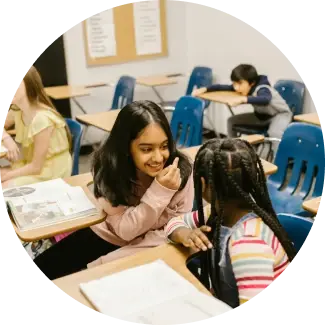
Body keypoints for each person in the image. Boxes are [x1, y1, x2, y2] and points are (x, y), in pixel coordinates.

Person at [32, 100, 194, 280]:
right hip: (109, 235)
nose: (158, 157)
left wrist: (111, 261)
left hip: (151, 244)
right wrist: (160, 191)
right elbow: (126, 231)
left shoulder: (181, 171)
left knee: (92, 281)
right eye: (147, 149)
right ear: (126, 147)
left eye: (164, 146)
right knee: (41, 268)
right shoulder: (110, 169)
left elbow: (176, 227)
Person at [165, 138, 295, 308]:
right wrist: (184, 233)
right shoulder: (216, 213)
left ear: (203, 184)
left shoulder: (248, 243)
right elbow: (172, 224)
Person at [0, 65, 72, 188]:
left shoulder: (42, 119)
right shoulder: (17, 110)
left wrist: (8, 176)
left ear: (29, 84)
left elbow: (36, 167)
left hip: (50, 171)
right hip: (31, 165)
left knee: (3, 186)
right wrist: (7, 139)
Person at [192, 64, 292, 139]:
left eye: (239, 83)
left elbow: (265, 99)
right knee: (231, 121)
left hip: (280, 115)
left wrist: (243, 99)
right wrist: (205, 89)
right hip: (261, 116)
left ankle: (275, 161)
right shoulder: (244, 87)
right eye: (234, 83)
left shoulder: (263, 88)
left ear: (252, 83)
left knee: (274, 133)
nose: (236, 87)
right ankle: (234, 151)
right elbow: (222, 87)